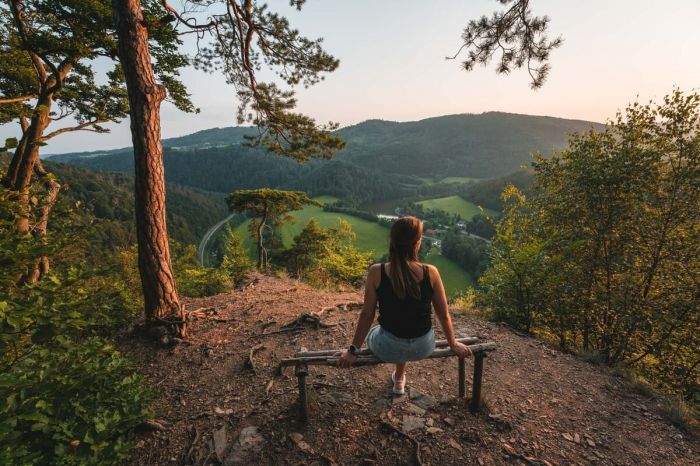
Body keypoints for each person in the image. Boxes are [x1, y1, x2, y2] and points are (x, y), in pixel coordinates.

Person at [336, 216, 472, 395]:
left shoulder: (377, 272)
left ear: (392, 241)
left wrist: (352, 351)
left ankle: (399, 375)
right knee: (404, 326)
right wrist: (453, 343)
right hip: (423, 347)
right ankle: (399, 378)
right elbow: (444, 315)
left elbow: (367, 315)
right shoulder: (431, 272)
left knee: (377, 331)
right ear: (417, 244)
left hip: (388, 348)